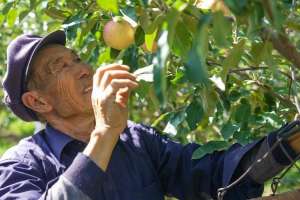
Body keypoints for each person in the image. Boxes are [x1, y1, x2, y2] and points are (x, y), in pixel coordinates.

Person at [0, 30, 300, 200]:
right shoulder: (20, 165)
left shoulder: (136, 140)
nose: (83, 69)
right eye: (59, 67)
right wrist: (105, 132)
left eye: (77, 59)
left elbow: (212, 173)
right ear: (38, 101)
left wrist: (290, 142)